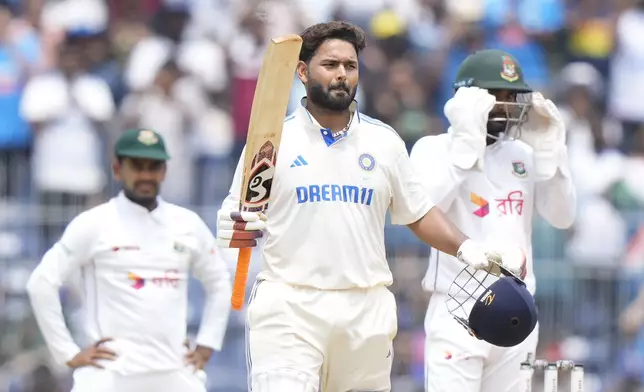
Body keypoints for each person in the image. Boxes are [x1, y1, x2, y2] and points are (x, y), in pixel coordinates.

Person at [215, 22, 525, 392]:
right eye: (330, 65)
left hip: (366, 312)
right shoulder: (271, 142)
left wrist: (467, 247)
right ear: (302, 71)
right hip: (290, 306)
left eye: (350, 65)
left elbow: (418, 212)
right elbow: (235, 216)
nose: (342, 74)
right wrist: (239, 228)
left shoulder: (383, 142)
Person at [410, 49, 577, 392]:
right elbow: (422, 208)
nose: (504, 105)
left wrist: (551, 156)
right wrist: (466, 146)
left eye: (511, 96)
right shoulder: (433, 149)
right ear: (466, 98)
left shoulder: (524, 154)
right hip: (457, 306)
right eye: (494, 95)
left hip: (518, 307)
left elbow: (562, 217)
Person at [25, 128, 233, 392]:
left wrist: (207, 344)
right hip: (110, 373)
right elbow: (41, 282)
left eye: (153, 166)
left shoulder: (187, 224)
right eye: (137, 166)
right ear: (117, 169)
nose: (145, 175)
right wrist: (66, 352)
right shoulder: (94, 223)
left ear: (164, 171)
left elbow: (219, 282)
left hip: (173, 369)